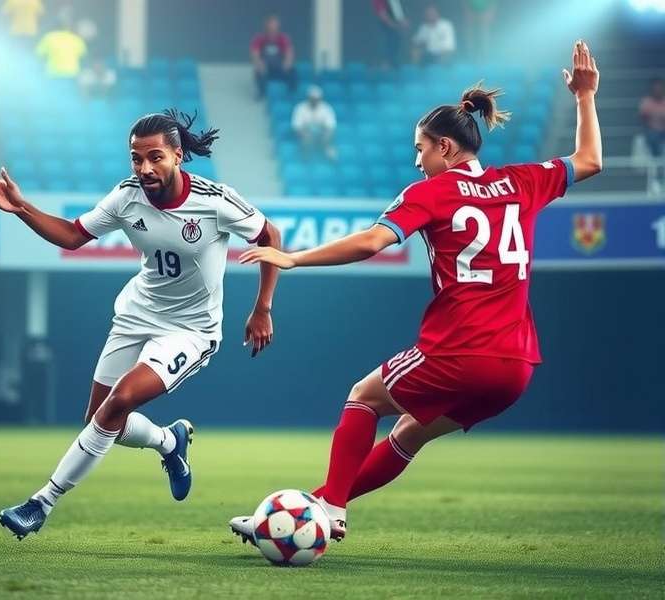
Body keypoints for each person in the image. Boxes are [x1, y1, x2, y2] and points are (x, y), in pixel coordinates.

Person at [229, 40, 602, 542]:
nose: (417, 162)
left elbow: (370, 242)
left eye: (420, 149)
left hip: (459, 349)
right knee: (407, 434)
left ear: (445, 147)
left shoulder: (432, 191)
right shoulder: (524, 181)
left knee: (363, 398)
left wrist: (293, 258)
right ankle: (309, 512)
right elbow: (590, 159)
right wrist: (584, 96)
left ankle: (330, 509)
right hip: (515, 368)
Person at [0, 109, 282, 540]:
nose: (144, 168)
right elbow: (73, 235)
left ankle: (40, 503)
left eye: (155, 157)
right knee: (99, 420)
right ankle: (168, 442)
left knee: (118, 401)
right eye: (136, 159)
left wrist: (262, 307)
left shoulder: (214, 201)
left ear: (178, 156)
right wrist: (21, 207)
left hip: (190, 331)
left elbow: (270, 236)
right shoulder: (127, 196)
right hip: (136, 315)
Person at [250, 14, 297, 100]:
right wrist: (260, 64)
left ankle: (291, 93)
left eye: (275, 25)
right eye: (271, 25)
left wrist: (287, 64)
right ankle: (262, 93)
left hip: (280, 68)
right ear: (266, 26)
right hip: (266, 69)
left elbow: (289, 53)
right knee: (258, 72)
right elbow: (255, 54)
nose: (273, 28)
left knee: (292, 71)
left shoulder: (283, 38)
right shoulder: (259, 38)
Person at [292, 85, 337, 161]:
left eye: (316, 99)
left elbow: (331, 127)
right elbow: (297, 126)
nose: (314, 101)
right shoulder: (300, 108)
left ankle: (330, 161)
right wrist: (305, 135)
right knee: (306, 140)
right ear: (308, 98)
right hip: (305, 133)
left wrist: (326, 136)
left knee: (330, 147)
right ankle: (306, 159)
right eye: (312, 99)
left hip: (321, 133)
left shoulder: (326, 108)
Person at [639, 78, 665, 193]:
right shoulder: (647, 102)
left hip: (663, 132)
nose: (658, 90)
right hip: (652, 133)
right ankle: (657, 172)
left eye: (660, 88)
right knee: (654, 138)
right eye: (656, 88)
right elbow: (642, 120)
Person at [372, 0, 410, 68]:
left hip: (397, 38)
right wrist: (398, 26)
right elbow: (383, 15)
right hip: (385, 34)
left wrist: (403, 22)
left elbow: (400, 15)